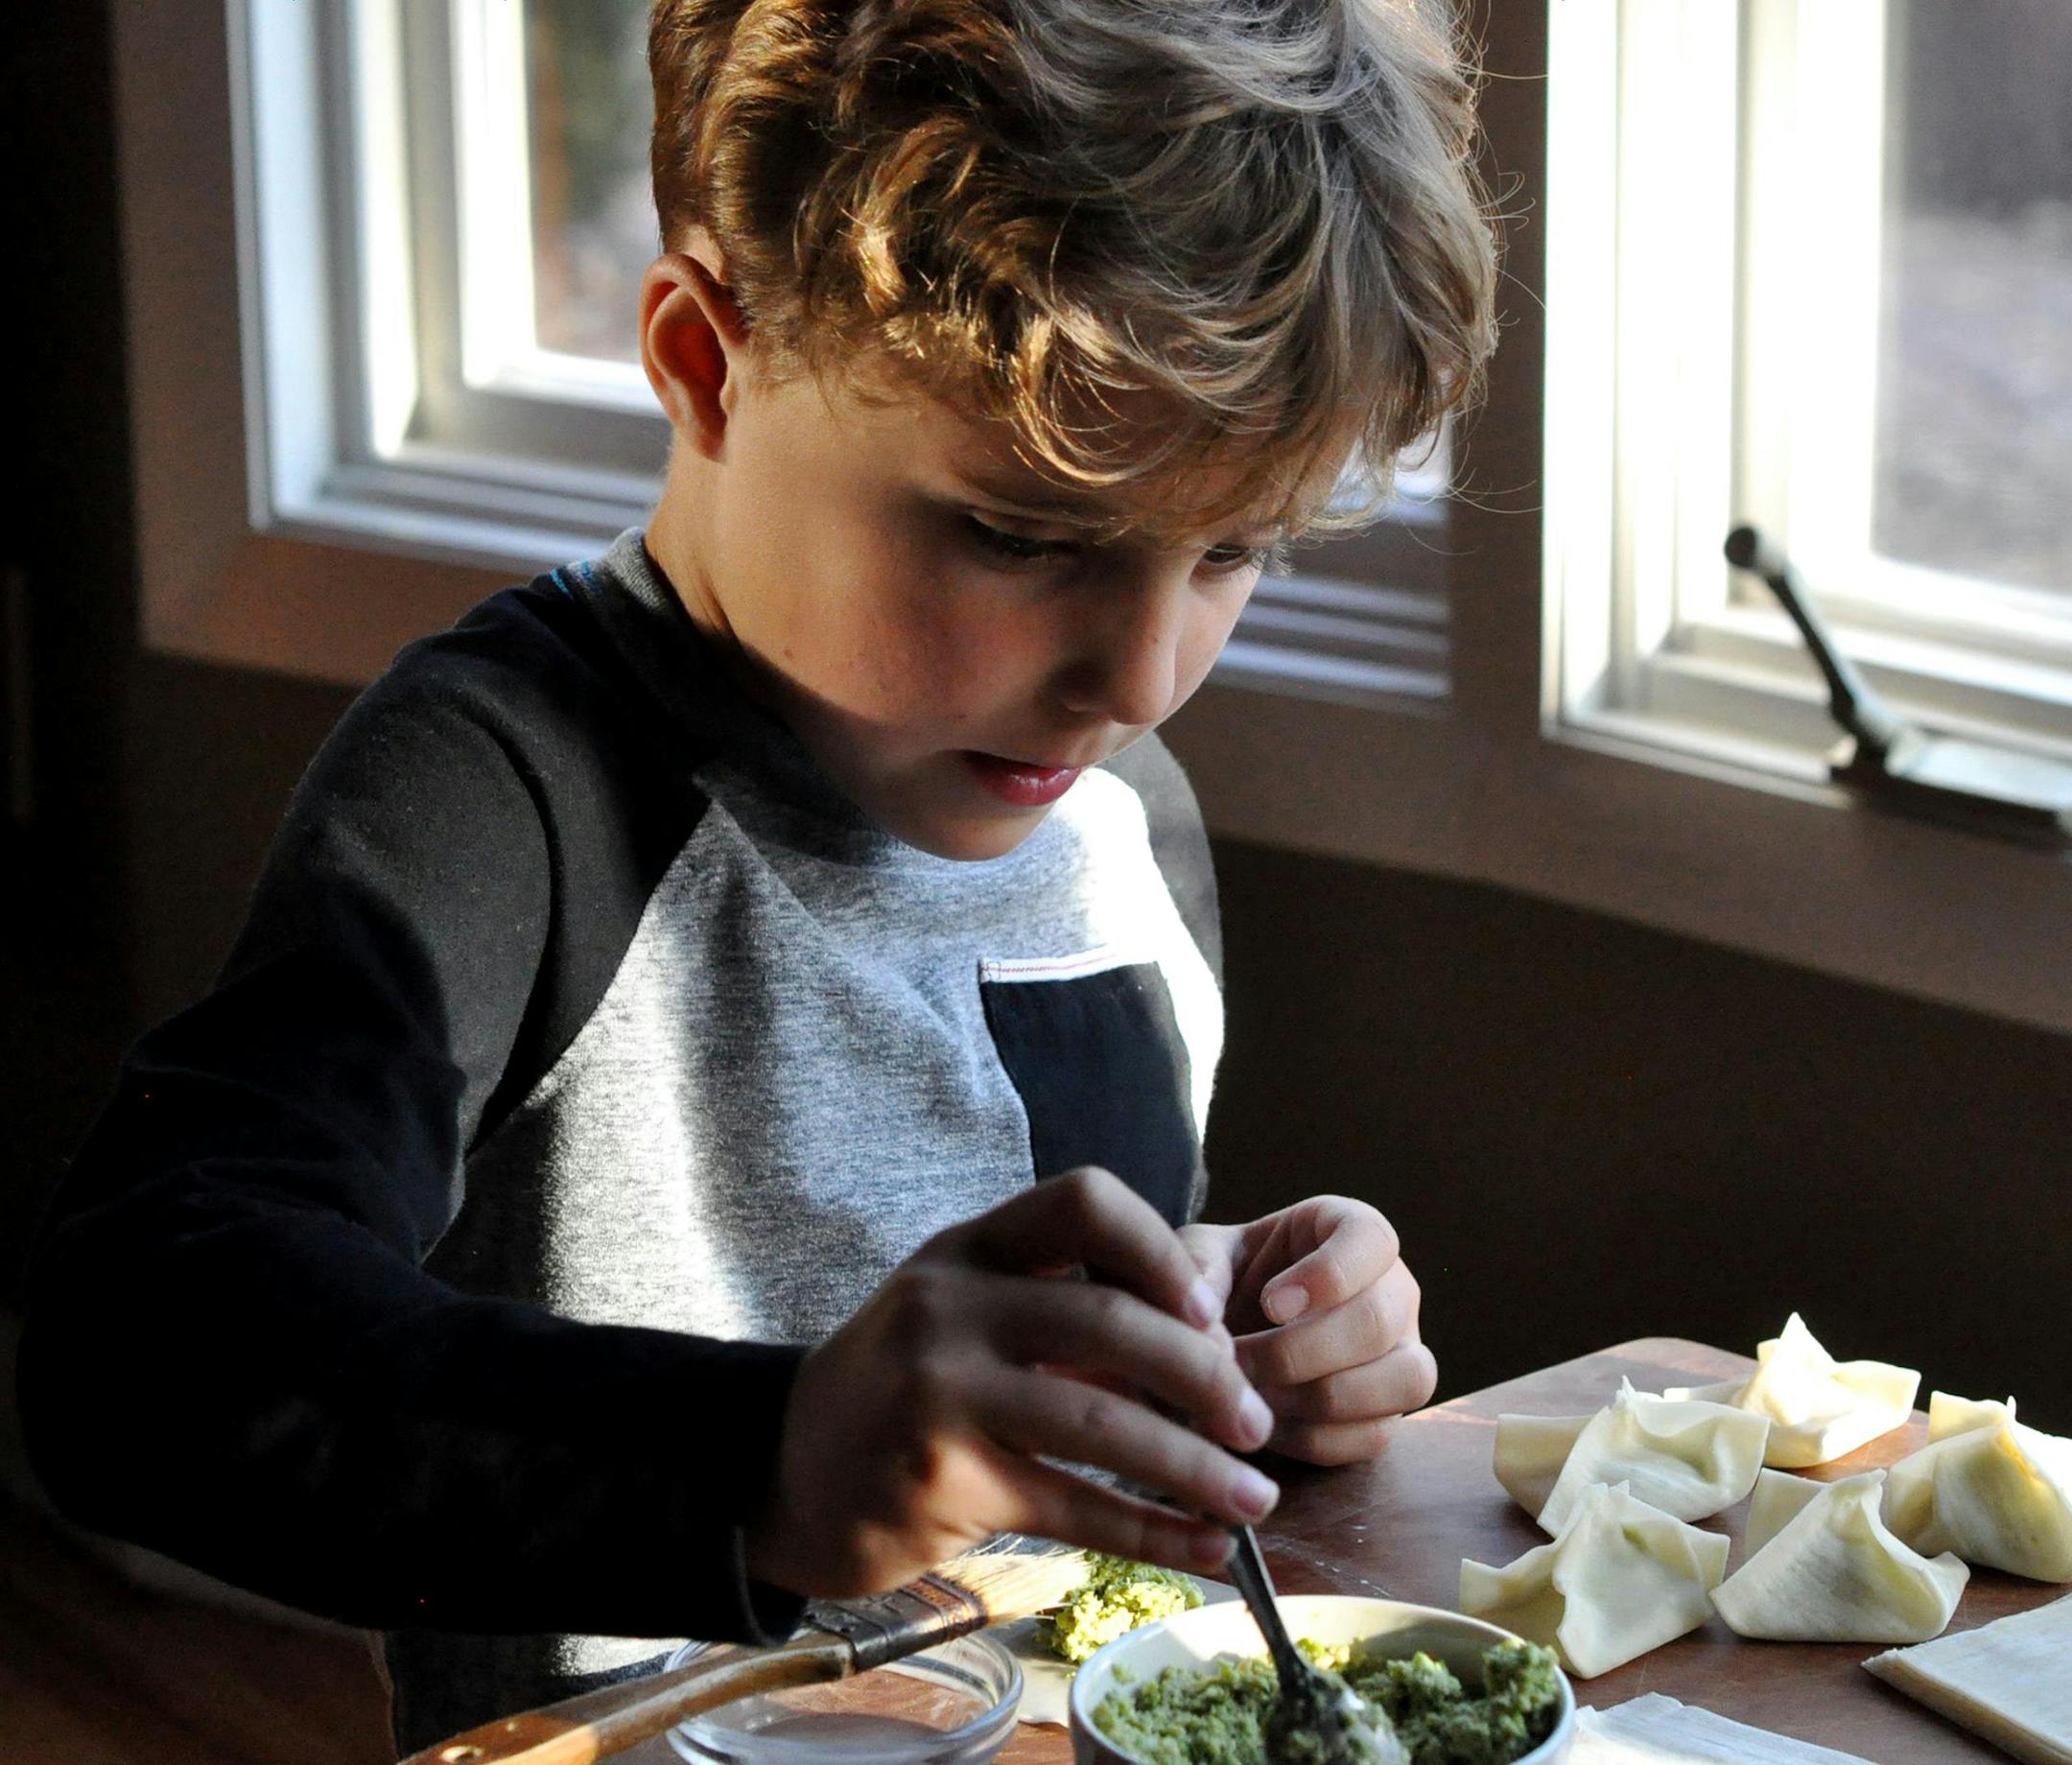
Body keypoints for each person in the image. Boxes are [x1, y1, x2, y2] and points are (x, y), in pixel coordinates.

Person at [18, 0, 1497, 1749]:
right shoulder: (505, 799)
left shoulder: (1119, 823)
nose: (1142, 681)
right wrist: (777, 1464)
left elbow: (1052, 1352)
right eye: (1021, 534)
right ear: (707, 361)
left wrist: (1247, 1351)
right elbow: (143, 1349)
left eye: (1232, 549)